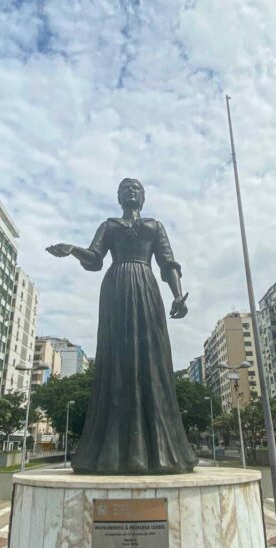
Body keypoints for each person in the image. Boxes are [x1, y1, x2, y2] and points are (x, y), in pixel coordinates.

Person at [47, 178, 198, 474]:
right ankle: (109, 452)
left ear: (143, 197)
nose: (131, 191)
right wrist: (72, 249)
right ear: (118, 197)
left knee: (152, 358)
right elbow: (95, 260)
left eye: (136, 188)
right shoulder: (109, 226)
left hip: (146, 286)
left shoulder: (155, 226)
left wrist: (178, 295)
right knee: (116, 360)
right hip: (116, 288)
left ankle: (163, 451)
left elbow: (168, 263)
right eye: (125, 188)